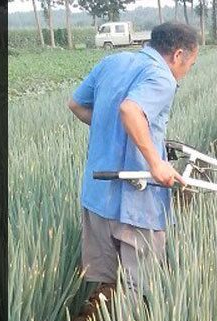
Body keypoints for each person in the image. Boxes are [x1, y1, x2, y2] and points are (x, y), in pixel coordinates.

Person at [67, 23, 199, 292]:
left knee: (108, 285)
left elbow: (76, 104)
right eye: (191, 63)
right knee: (138, 289)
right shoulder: (162, 77)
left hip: (98, 196)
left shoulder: (112, 62)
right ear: (178, 55)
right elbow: (130, 110)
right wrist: (156, 163)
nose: (187, 71)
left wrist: (111, 128)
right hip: (135, 202)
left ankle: (110, 318)